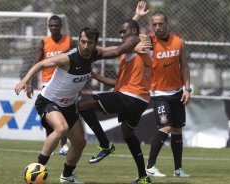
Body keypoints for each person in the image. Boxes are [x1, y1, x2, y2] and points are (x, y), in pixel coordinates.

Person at [15, 26, 146, 184]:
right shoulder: (68, 58)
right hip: (48, 101)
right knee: (61, 128)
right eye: (82, 41)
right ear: (79, 41)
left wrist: (134, 44)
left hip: (69, 105)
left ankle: (67, 176)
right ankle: (37, 169)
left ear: (94, 43)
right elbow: (41, 64)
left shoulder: (95, 54)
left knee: (80, 143)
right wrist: (25, 80)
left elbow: (118, 49)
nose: (85, 46)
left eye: (89, 42)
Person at [77, 19, 153, 184]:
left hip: (130, 96)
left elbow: (119, 48)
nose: (121, 35)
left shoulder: (135, 41)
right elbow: (118, 83)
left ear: (133, 32)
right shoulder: (135, 50)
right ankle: (143, 177)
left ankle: (105, 145)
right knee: (128, 134)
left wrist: (92, 56)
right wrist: (97, 77)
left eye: (123, 32)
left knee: (82, 105)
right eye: (120, 32)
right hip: (141, 101)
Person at [133, 3, 191, 178]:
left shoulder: (178, 41)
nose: (157, 27)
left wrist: (187, 89)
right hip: (158, 94)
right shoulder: (149, 41)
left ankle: (178, 169)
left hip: (177, 93)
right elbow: (127, 33)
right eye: (154, 24)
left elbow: (185, 67)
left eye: (160, 24)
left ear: (167, 24)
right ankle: (149, 167)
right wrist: (137, 16)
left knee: (177, 129)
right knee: (165, 127)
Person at [26, 15, 75, 155]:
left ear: (61, 26)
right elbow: (37, 63)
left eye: (56, 25)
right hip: (47, 82)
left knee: (63, 113)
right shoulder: (43, 42)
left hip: (65, 82)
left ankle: (64, 145)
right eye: (51, 25)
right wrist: (29, 83)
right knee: (48, 115)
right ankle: (50, 142)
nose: (54, 28)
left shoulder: (69, 41)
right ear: (48, 26)